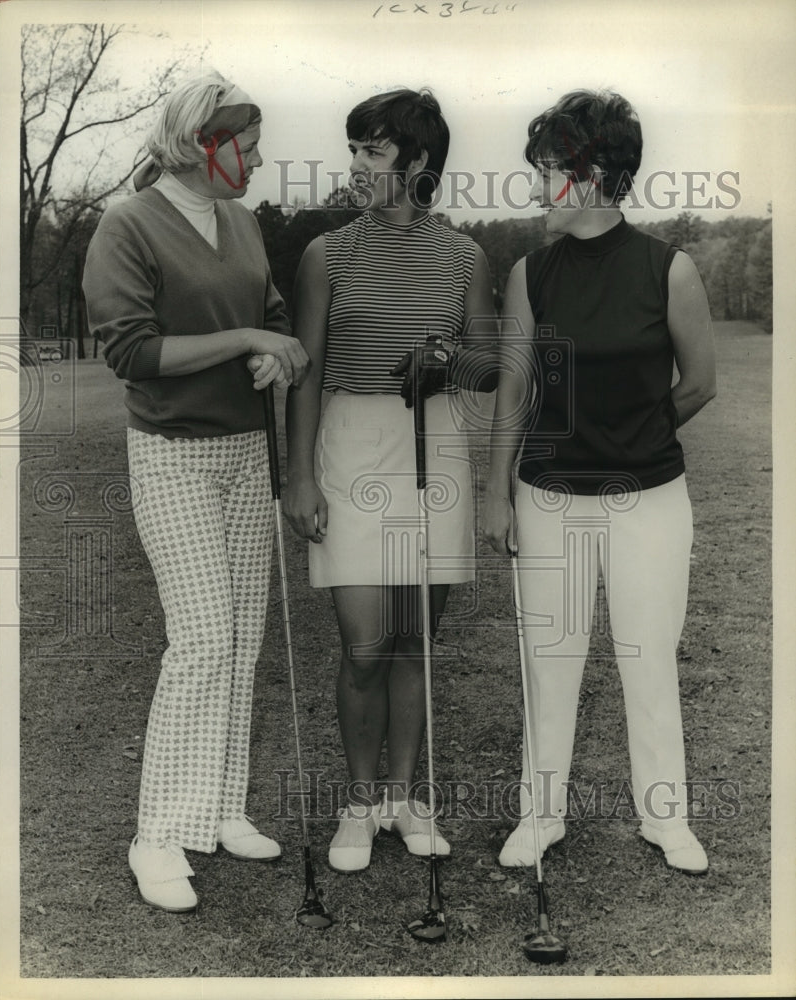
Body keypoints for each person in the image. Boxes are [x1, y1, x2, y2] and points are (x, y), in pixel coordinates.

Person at [82, 73, 310, 912]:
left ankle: (219, 808)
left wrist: (274, 348)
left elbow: (276, 316)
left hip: (250, 452)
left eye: (255, 146)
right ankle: (159, 835)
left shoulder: (243, 222)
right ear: (199, 146)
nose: (255, 160)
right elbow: (133, 352)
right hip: (172, 455)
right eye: (243, 148)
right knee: (203, 641)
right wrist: (245, 338)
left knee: (243, 638)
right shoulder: (127, 225)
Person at [254, 88, 497, 872]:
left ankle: (401, 797)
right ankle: (358, 805)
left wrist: (444, 362)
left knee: (413, 643)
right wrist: (300, 478)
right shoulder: (327, 254)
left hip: (438, 445)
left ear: (418, 161)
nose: (356, 165)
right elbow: (308, 370)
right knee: (363, 647)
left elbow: (488, 366)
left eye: (374, 151)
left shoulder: (464, 256)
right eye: (354, 148)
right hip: (351, 444)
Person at [483, 90, 716, 875]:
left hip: (648, 499)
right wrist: (495, 491)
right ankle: (538, 815)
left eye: (548, 170)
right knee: (550, 658)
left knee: (646, 654)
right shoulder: (529, 273)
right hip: (546, 496)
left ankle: (665, 819)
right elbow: (515, 392)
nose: (535, 185)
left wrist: (634, 443)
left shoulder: (668, 268)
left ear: (594, 174)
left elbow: (698, 384)